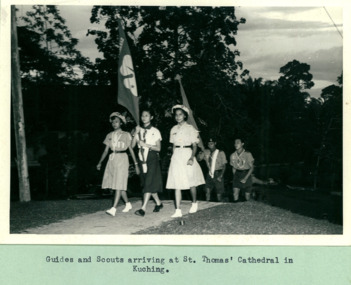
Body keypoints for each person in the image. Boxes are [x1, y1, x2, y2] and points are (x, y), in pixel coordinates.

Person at [96, 112, 140, 216]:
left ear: (121, 123)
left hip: (122, 158)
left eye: (117, 122)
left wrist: (136, 164)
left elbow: (131, 150)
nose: (114, 124)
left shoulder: (126, 135)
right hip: (112, 160)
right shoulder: (109, 135)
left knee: (119, 183)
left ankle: (113, 208)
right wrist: (100, 162)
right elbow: (106, 151)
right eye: (113, 122)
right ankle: (128, 204)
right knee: (117, 184)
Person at [166, 105, 205, 217]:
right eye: (176, 114)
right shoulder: (173, 129)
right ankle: (178, 210)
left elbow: (195, 146)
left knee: (191, 180)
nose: (178, 117)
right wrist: (173, 157)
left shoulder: (190, 128)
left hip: (187, 153)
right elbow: (173, 145)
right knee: (177, 182)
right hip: (177, 155)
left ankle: (194, 203)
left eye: (180, 114)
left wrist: (192, 157)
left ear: (185, 116)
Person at [132, 109, 163, 217]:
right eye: (142, 116)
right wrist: (135, 133)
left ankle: (143, 209)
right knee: (147, 183)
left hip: (152, 158)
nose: (144, 117)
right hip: (142, 158)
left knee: (149, 183)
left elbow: (158, 148)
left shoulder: (155, 131)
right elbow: (131, 146)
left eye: (146, 115)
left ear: (151, 117)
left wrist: (146, 145)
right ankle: (158, 203)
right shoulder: (138, 130)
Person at [200, 138, 227, 202]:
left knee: (219, 193)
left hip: (218, 173)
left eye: (211, 143)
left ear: (215, 143)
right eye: (208, 144)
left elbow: (224, 166)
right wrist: (201, 152)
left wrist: (221, 176)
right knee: (207, 191)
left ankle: (219, 207)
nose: (210, 145)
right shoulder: (207, 152)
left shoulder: (220, 152)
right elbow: (199, 159)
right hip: (210, 174)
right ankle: (207, 205)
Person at [229, 138, 254, 202]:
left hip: (246, 173)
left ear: (242, 144)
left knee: (247, 195)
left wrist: (245, 178)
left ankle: (248, 208)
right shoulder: (232, 155)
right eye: (235, 143)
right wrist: (235, 177)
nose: (235, 144)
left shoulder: (247, 154)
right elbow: (233, 168)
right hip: (237, 174)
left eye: (238, 142)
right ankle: (236, 208)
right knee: (235, 193)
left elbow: (252, 167)